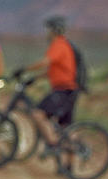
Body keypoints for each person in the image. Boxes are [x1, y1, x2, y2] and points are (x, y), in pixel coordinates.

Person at [25, 14, 79, 162]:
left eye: (48, 29)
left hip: (63, 90)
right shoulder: (65, 45)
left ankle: (52, 144)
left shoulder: (59, 44)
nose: (46, 33)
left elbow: (45, 62)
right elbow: (53, 70)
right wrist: (35, 78)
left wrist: (25, 69)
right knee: (66, 126)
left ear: (54, 30)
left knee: (37, 114)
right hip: (70, 90)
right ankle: (69, 166)